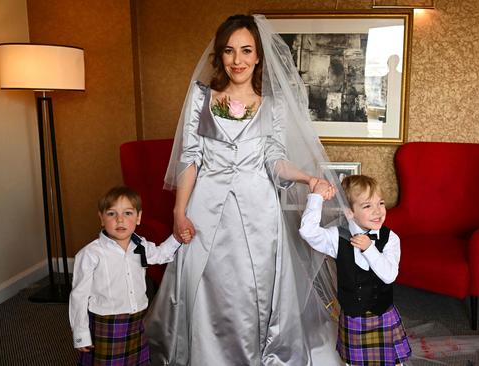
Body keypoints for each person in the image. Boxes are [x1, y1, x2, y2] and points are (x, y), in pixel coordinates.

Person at [145, 14, 344, 365]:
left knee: (256, 288)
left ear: (257, 57)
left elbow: (275, 160)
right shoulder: (200, 98)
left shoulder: (274, 106)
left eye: (246, 50)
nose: (237, 60)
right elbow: (190, 158)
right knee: (206, 286)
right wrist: (180, 211)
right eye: (229, 51)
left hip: (258, 210)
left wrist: (308, 179)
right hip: (205, 206)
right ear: (220, 56)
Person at [299, 175, 411, 366]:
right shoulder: (337, 237)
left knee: (392, 362)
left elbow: (389, 275)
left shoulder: (390, 238)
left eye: (381, 203)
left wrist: (369, 248)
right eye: (367, 206)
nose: (378, 211)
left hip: (383, 314)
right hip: (354, 317)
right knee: (355, 362)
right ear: (349, 212)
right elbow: (308, 232)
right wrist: (316, 197)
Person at [69, 185, 187, 366]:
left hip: (137, 320)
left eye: (128, 213)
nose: (120, 220)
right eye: (111, 214)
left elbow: (161, 254)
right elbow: (79, 297)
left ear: (138, 217)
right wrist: (80, 334)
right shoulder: (90, 254)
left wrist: (177, 238)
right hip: (107, 323)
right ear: (101, 218)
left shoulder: (141, 246)